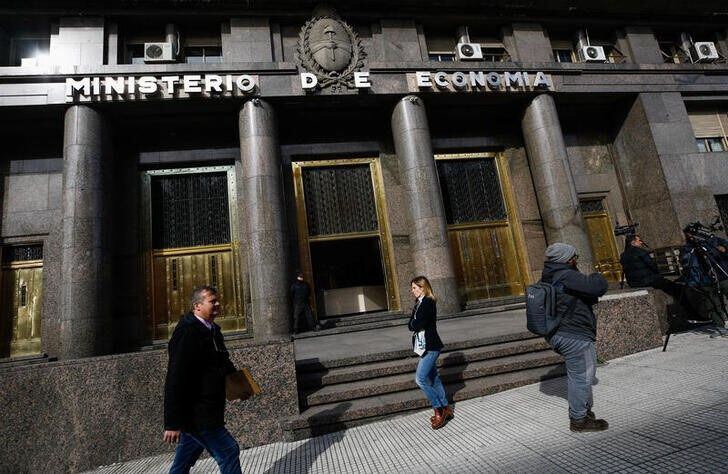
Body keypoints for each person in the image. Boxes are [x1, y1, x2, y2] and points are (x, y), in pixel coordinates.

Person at [163, 286, 242, 474]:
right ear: (197, 306)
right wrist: (172, 423)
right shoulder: (187, 332)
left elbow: (223, 361)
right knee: (229, 451)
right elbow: (175, 377)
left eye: (217, 301)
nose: (217, 304)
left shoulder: (212, 329)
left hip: (209, 407)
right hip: (197, 412)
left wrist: (239, 387)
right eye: (212, 301)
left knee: (184, 460)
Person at [541, 243, 609, 432]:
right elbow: (596, 287)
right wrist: (596, 274)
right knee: (582, 376)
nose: (576, 260)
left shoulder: (549, 274)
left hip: (558, 332)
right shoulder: (566, 275)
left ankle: (583, 410)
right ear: (567, 259)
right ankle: (579, 420)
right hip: (574, 334)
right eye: (574, 257)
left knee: (579, 374)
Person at [408, 276, 453, 430]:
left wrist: (414, 323)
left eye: (414, 287)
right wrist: (414, 323)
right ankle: (446, 408)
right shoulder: (418, 303)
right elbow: (410, 324)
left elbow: (419, 323)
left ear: (422, 287)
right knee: (434, 378)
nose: (412, 290)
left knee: (420, 379)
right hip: (424, 345)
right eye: (412, 288)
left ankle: (438, 408)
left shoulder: (428, 302)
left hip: (431, 346)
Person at [679, 231, 728, 336]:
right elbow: (685, 264)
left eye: (692, 233)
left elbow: (725, 248)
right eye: (688, 234)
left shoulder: (713, 241)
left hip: (722, 275)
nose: (690, 236)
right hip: (705, 280)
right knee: (713, 305)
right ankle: (720, 326)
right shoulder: (687, 249)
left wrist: (723, 249)